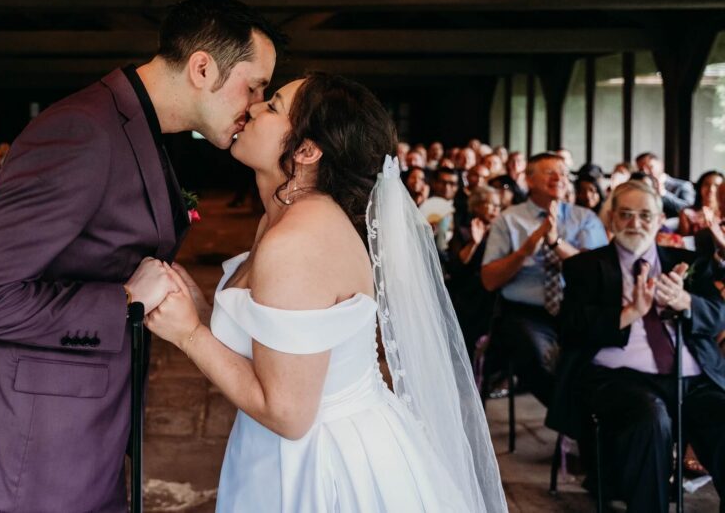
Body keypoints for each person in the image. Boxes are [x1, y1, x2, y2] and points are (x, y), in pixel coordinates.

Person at [0, 0, 283, 512]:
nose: (254, 106)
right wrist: (121, 300)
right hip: (25, 456)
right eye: (254, 87)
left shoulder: (133, 126)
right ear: (202, 68)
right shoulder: (81, 131)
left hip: (79, 440)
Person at [146, 74, 506, 512]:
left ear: (307, 150)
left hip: (323, 466)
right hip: (283, 450)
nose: (255, 107)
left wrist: (188, 335)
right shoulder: (282, 218)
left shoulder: (297, 241)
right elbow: (272, 347)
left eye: (273, 106)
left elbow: (289, 414)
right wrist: (198, 311)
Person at [549, 180, 725, 511]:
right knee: (651, 420)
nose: (635, 223)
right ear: (612, 219)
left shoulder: (689, 262)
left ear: (660, 220)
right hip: (620, 378)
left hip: (694, 378)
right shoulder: (585, 266)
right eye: (626, 214)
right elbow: (570, 328)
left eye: (645, 215)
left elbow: (718, 316)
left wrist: (684, 300)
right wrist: (630, 312)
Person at [480, 153, 607, 406]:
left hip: (576, 309)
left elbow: (597, 272)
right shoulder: (509, 220)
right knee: (539, 360)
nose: (558, 177)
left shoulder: (584, 219)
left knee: (597, 359)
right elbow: (489, 280)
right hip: (526, 312)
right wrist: (526, 249)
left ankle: (581, 422)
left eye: (562, 171)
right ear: (529, 180)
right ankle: (572, 419)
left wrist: (557, 244)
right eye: (549, 172)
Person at [448, 185, 503, 356]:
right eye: (491, 204)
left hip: (493, 299)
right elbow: (456, 268)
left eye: (498, 206)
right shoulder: (464, 231)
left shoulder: (501, 234)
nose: (496, 209)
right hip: (468, 298)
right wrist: (474, 243)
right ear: (477, 206)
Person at [636, 152, 696, 218]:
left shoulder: (683, 185)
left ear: (661, 165)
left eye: (650, 167)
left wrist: (664, 194)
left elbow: (690, 210)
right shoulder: (639, 187)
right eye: (641, 169)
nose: (645, 172)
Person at [679, 170, 722, 237]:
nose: (711, 189)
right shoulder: (686, 213)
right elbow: (685, 242)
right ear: (700, 187)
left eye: (717, 186)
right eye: (707, 184)